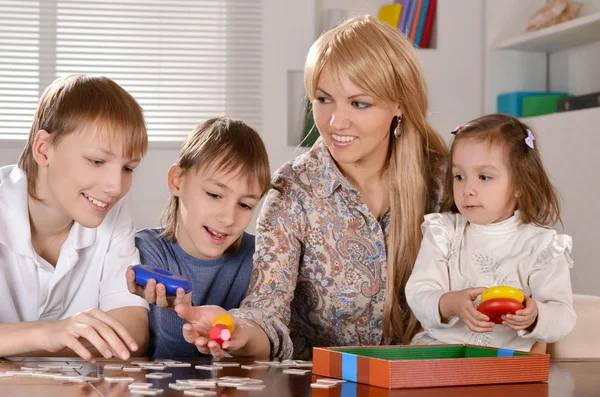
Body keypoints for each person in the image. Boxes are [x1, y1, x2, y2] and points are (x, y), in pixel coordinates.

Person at [175, 15, 448, 360]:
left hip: (423, 384)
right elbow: (266, 309)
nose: (335, 122)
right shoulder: (292, 188)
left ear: (399, 104)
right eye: (323, 99)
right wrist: (238, 330)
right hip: (320, 390)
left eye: (359, 103)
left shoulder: (443, 181)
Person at [0, 74, 150, 362]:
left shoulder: (111, 211)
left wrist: (17, 343)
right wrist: (49, 334)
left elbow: (132, 336)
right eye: (96, 161)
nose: (115, 187)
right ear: (44, 149)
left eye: (128, 168)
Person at [406, 113, 576, 351]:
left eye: (484, 177)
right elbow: (418, 294)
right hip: (439, 354)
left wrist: (535, 314)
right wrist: (450, 302)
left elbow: (563, 315)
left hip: (505, 365)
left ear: (519, 185)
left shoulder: (541, 245)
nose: (468, 189)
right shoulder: (444, 232)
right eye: (459, 176)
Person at [125, 117, 271, 358]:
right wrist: (178, 311)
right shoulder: (145, 250)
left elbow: (260, 354)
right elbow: (170, 366)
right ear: (177, 181)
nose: (228, 218)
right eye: (214, 195)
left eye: (245, 205)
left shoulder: (259, 258)